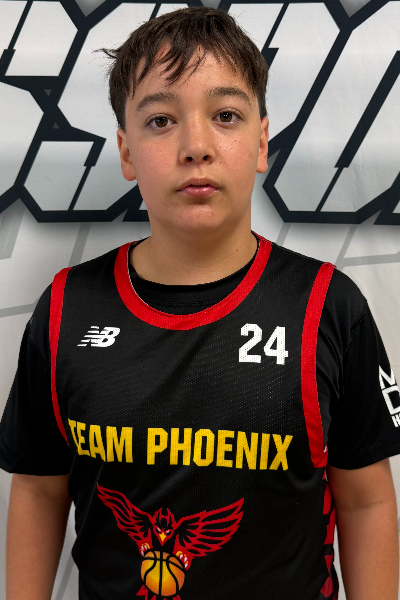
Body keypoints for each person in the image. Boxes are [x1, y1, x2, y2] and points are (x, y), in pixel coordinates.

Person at [0, 6, 399, 600]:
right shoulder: (66, 308)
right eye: (161, 120)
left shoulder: (326, 306)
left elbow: (366, 500)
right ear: (127, 152)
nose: (196, 146)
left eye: (226, 115)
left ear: (261, 143)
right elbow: (38, 488)